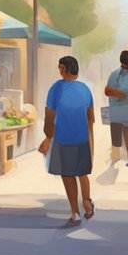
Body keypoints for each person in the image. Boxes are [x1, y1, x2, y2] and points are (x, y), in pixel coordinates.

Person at [41, 56, 95, 227]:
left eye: (60, 68)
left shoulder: (56, 88)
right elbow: (90, 118)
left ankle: (75, 213)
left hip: (64, 139)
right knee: (82, 173)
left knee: (68, 175)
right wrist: (91, 141)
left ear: (63, 68)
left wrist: (48, 137)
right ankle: (86, 202)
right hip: (82, 139)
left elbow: (49, 116)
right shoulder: (85, 89)